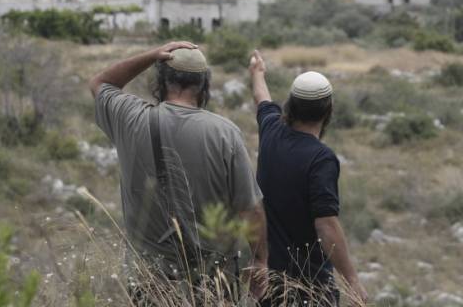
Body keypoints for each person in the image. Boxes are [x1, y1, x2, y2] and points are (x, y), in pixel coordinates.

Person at [88, 41, 268, 300]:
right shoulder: (225, 133)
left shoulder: (130, 118)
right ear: (204, 85)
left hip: (149, 281)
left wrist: (152, 55)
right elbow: (250, 209)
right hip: (212, 281)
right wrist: (260, 261)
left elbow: (101, 83)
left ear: (161, 80)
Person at [248, 49, 367, 306]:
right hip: (309, 287)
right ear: (328, 110)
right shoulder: (321, 158)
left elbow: (261, 98)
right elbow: (326, 225)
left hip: (270, 282)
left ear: (290, 104)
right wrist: (352, 280)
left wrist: (257, 72)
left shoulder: (271, 130)